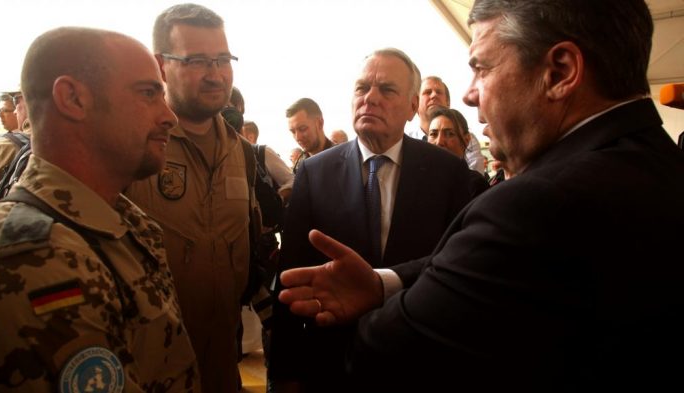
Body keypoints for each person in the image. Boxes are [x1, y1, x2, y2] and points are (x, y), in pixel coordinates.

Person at [277, 1, 684, 392]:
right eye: (362, 87)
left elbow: (388, 350)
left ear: (560, 72)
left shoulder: (533, 205)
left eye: (482, 68)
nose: (469, 95)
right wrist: (383, 285)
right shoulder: (662, 165)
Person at [0, 26, 199, 392]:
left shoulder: (125, 221)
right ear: (73, 99)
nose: (169, 116)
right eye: (148, 93)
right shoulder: (32, 256)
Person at [269, 47, 488, 393]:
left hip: (418, 361)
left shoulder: (448, 172)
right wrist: (284, 373)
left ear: (412, 105)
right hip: (332, 363)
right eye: (361, 88)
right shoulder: (315, 172)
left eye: (386, 89)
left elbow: (457, 265)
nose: (370, 98)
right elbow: (291, 273)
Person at [124, 4, 253, 393]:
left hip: (222, 370)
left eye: (222, 59)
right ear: (161, 65)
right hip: (151, 377)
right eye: (198, 60)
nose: (216, 74)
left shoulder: (240, 152)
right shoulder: (133, 147)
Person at [286, 97, 334, 173]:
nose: (297, 137)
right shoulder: (299, 166)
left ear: (319, 123)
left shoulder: (344, 160)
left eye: (302, 129)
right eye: (293, 132)